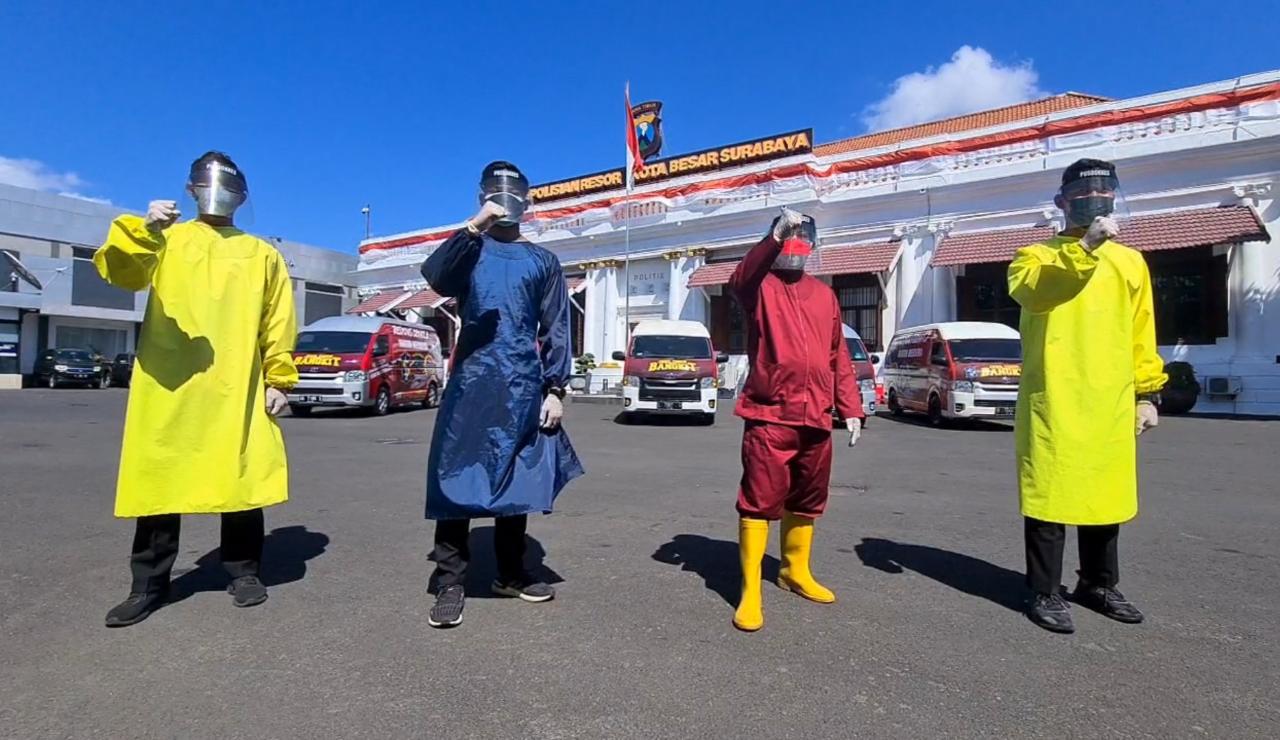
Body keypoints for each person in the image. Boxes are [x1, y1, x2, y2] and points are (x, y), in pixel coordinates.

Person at [95, 151, 298, 627]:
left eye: (229, 186)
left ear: (241, 196)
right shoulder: (166, 240)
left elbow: (278, 319)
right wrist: (143, 228)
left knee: (241, 478)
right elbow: (121, 273)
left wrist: (279, 377)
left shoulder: (261, 253)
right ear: (190, 190)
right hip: (169, 382)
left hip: (237, 381)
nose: (218, 193)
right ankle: (148, 585)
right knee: (161, 480)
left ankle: (244, 571)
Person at [421, 160, 583, 629]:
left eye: (512, 194)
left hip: (521, 384)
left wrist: (555, 388)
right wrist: (475, 227)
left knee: (518, 478)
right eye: (496, 194)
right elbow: (437, 276)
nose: (506, 201)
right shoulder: (470, 250)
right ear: (482, 197)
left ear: (528, 201)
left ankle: (510, 572)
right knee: (456, 478)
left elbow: (555, 325)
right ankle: (450, 579)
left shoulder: (542, 261)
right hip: (472, 382)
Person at [1008, 158, 1167, 634]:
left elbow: (1142, 331)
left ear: (1115, 197)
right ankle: (1044, 590)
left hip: (1110, 397)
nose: (1094, 203)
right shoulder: (1033, 255)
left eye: (1102, 193)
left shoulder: (1131, 260)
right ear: (1061, 203)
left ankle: (1098, 584)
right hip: (1054, 395)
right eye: (1080, 196)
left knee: (1105, 497)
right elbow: (1037, 294)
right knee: (1050, 498)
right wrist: (1086, 248)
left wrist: (1147, 393)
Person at [728, 206, 865, 632]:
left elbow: (836, 356)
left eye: (801, 239)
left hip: (816, 418)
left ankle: (794, 571)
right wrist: (771, 237)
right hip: (771, 415)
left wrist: (852, 407)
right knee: (760, 500)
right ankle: (751, 588)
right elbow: (740, 279)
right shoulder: (759, 287)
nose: (795, 247)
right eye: (789, 238)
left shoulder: (825, 296)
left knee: (807, 498)